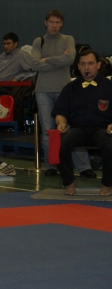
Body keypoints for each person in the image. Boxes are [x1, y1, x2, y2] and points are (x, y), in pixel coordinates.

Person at [29, 10, 95, 178]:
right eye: (51, 22)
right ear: (46, 23)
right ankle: (52, 165)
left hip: (65, 91)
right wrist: (59, 59)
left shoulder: (68, 39)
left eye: (57, 22)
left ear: (62, 24)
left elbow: (70, 59)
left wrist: (46, 59)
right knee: (48, 130)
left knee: (73, 128)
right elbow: (34, 64)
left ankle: (83, 167)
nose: (54, 25)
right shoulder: (38, 41)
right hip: (43, 91)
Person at [52, 49, 112, 196]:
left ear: (98, 65)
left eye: (90, 63)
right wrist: (61, 123)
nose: (86, 67)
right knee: (57, 143)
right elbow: (60, 112)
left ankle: (107, 183)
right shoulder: (70, 87)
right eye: (83, 64)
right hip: (77, 129)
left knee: (110, 145)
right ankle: (69, 181)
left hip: (103, 129)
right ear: (78, 67)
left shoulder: (109, 86)